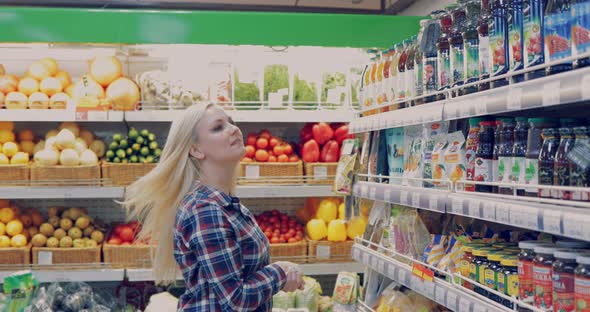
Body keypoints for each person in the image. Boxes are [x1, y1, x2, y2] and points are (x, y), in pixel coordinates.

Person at [122, 103, 304, 311]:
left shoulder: (222, 202)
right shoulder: (205, 210)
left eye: (231, 122)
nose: (234, 129)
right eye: (218, 127)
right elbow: (236, 300)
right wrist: (280, 272)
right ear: (196, 150)